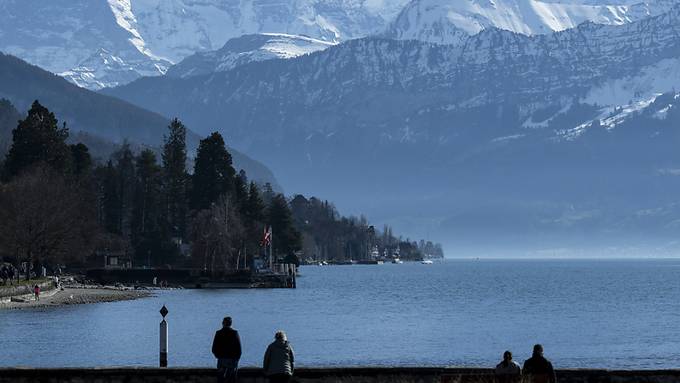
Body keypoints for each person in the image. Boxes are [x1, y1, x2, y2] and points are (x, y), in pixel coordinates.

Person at [212, 317, 242, 383]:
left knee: (221, 380)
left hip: (221, 360)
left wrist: (218, 356)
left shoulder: (218, 333)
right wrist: (236, 360)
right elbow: (239, 350)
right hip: (232, 361)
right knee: (231, 379)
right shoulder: (235, 333)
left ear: (223, 323)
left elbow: (214, 349)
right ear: (231, 324)